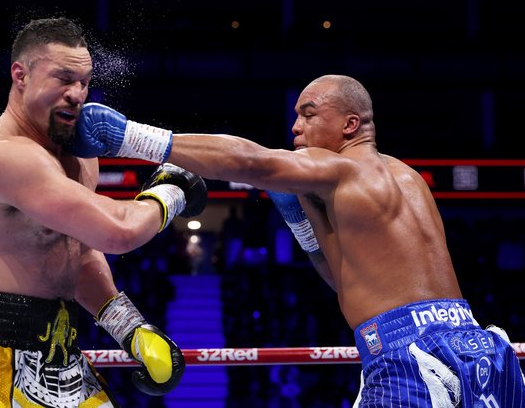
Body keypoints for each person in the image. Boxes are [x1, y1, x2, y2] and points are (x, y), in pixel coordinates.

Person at [69, 74, 525, 406]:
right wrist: (305, 229)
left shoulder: (344, 168)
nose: (296, 129)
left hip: (411, 356)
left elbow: (254, 163)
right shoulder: (407, 178)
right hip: (478, 349)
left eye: (308, 114)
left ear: (350, 125)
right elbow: (354, 285)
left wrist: (130, 137)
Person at [0, 17, 208, 407]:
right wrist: (171, 191)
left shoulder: (80, 159)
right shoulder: (3, 153)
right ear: (20, 74)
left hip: (60, 353)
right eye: (63, 78)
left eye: (84, 82)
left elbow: (79, 253)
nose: (77, 94)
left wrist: (131, 330)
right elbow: (117, 233)